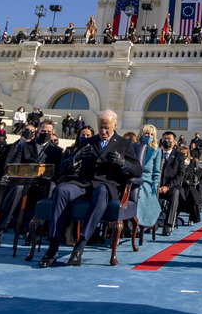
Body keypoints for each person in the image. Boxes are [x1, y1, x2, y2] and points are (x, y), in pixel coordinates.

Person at [38, 110, 142, 268]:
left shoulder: (124, 144)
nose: (103, 131)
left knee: (101, 191)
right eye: (100, 127)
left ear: (115, 125)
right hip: (84, 183)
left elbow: (138, 170)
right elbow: (63, 169)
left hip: (107, 185)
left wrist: (123, 163)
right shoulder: (87, 141)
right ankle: (53, 246)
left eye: (107, 127)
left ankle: (80, 246)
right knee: (61, 190)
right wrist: (75, 158)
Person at [157, 131, 188, 236]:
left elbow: (180, 175)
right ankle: (151, 222)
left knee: (175, 194)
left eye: (169, 139)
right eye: (164, 138)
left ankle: (167, 225)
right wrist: (158, 186)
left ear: (174, 142)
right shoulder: (157, 153)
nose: (166, 140)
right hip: (157, 186)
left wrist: (167, 186)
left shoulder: (179, 156)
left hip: (172, 186)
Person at [136, 124, 163, 229]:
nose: (149, 136)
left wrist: (155, 186)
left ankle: (136, 224)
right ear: (142, 134)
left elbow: (156, 172)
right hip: (133, 180)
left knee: (140, 194)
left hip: (146, 182)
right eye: (147, 133)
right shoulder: (134, 147)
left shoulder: (156, 151)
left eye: (152, 134)